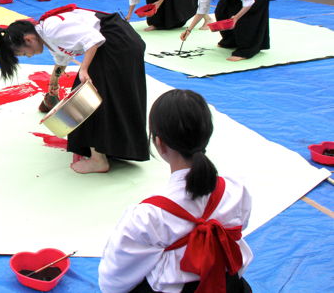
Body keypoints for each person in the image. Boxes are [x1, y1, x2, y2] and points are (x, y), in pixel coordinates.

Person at [99, 89, 253, 293]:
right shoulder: (235, 190)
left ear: (159, 143)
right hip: (230, 287)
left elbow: (113, 281)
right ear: (206, 135)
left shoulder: (148, 216)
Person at [0, 4, 148, 174]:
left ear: (28, 39)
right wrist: (54, 80)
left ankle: (98, 159)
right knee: (104, 96)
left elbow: (93, 40)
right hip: (119, 41)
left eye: (23, 53)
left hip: (116, 42)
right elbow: (62, 56)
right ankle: (109, 147)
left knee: (89, 98)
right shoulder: (46, 33)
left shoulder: (52, 29)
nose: (28, 56)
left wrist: (84, 68)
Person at [183, 0, 268, 61]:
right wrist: (188, 30)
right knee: (221, 11)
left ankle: (246, 50)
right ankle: (230, 41)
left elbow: (249, 2)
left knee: (244, 18)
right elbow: (202, 10)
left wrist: (236, 17)